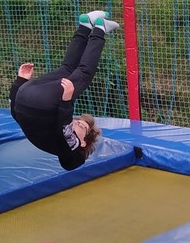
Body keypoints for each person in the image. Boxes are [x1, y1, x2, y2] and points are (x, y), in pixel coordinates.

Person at [9, 10, 120, 171]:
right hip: (26, 93)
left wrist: (65, 102)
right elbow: (15, 112)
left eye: (80, 126)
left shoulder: (70, 148)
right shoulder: (45, 135)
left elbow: (72, 159)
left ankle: (100, 30)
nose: (75, 123)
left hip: (35, 98)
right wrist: (21, 83)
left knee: (85, 73)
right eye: (78, 123)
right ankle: (85, 25)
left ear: (82, 143)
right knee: (67, 68)